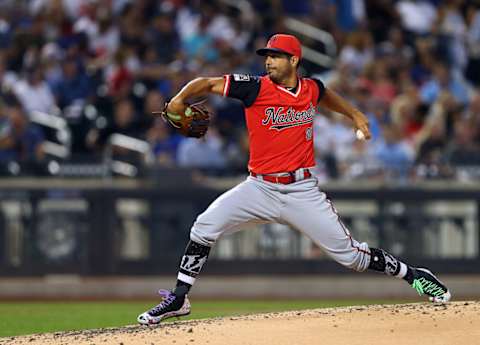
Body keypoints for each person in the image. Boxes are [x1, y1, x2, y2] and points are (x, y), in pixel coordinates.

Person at [137, 34, 451, 325]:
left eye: (276, 56)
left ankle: (413, 275)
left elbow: (326, 95)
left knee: (352, 256)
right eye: (267, 56)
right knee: (204, 226)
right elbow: (206, 83)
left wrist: (354, 114)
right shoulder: (255, 88)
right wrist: (179, 99)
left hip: (301, 190)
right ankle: (179, 297)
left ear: (294, 60)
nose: (269, 61)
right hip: (259, 187)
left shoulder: (311, 88)